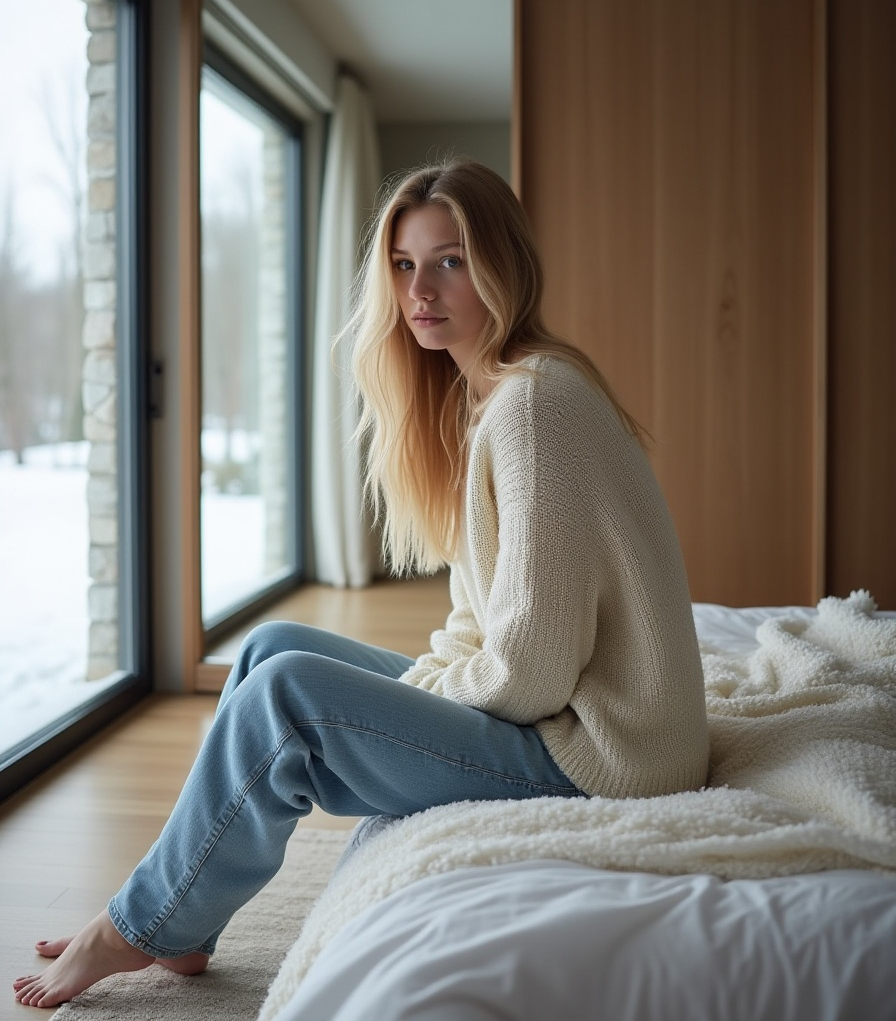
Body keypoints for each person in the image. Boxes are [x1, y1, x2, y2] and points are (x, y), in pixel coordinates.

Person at [14, 159, 709, 1008]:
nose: (421, 291)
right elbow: (481, 620)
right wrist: (428, 684)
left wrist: (426, 695)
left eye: (450, 261)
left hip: (602, 755)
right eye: (405, 265)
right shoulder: (493, 394)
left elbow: (531, 668)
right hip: (561, 719)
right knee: (271, 647)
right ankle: (183, 922)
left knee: (287, 699)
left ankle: (133, 928)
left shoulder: (532, 407)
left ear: (505, 267)